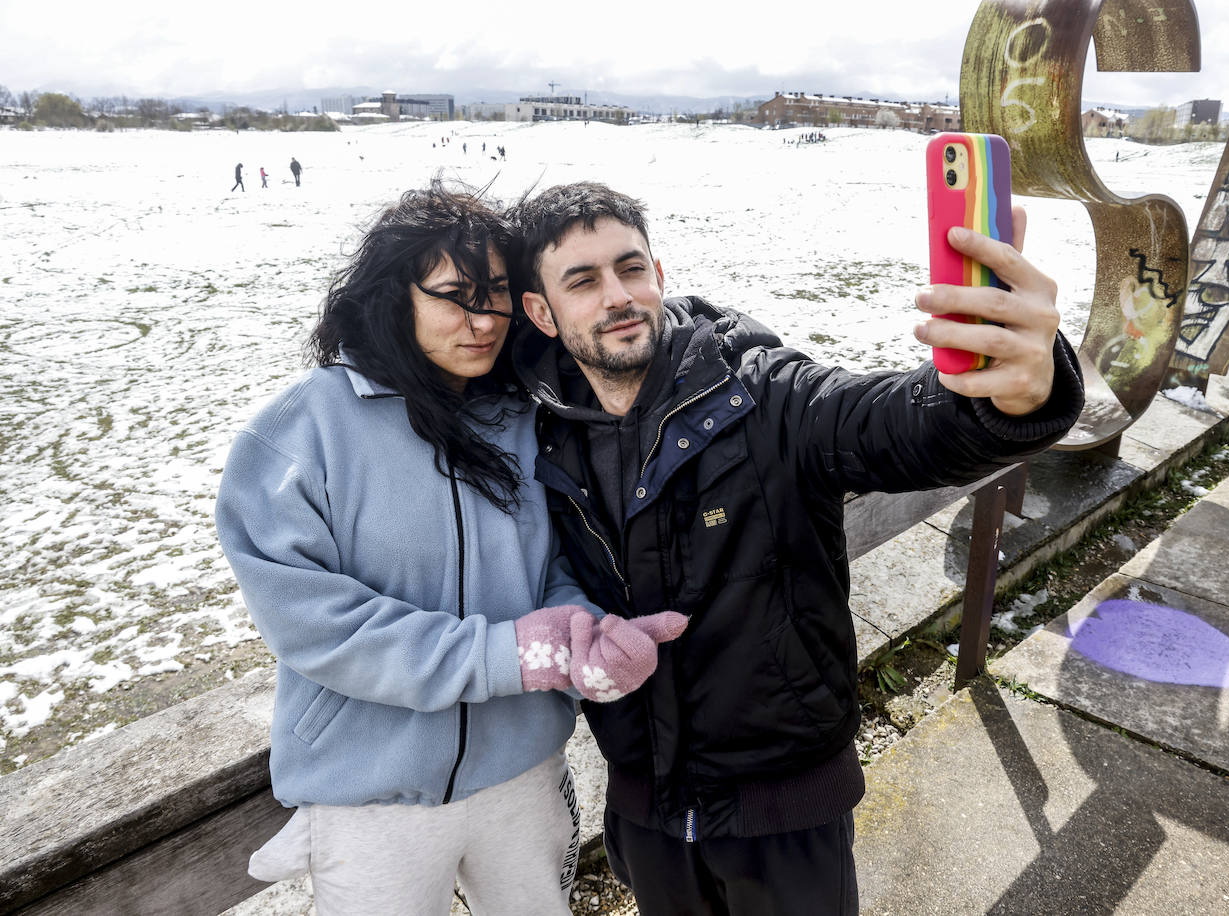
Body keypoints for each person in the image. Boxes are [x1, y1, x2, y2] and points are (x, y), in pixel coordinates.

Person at [508, 182, 1085, 915]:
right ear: (540, 311)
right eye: (583, 281)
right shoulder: (538, 439)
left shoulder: (763, 396)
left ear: (660, 273)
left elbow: (892, 426)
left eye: (631, 268)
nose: (618, 295)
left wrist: (1005, 394)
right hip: (646, 811)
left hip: (786, 816)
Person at [215, 183, 686, 915]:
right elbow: (314, 622)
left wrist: (578, 633)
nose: (483, 321)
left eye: (497, 294)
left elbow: (555, 559)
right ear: (390, 295)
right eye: (454, 297)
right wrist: (510, 656)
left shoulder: (519, 419)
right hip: (373, 796)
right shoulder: (301, 433)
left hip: (522, 774)